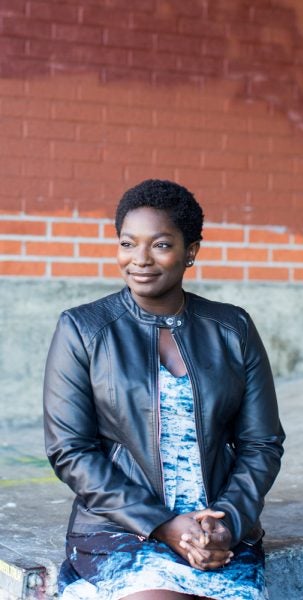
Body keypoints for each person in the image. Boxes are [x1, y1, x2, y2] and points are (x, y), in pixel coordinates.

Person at [43, 179, 285, 600]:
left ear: (191, 251)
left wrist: (227, 520)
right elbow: (71, 449)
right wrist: (164, 524)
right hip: (124, 527)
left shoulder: (233, 328)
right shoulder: (83, 329)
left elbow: (261, 442)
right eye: (127, 243)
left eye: (160, 245)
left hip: (218, 531)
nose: (139, 259)